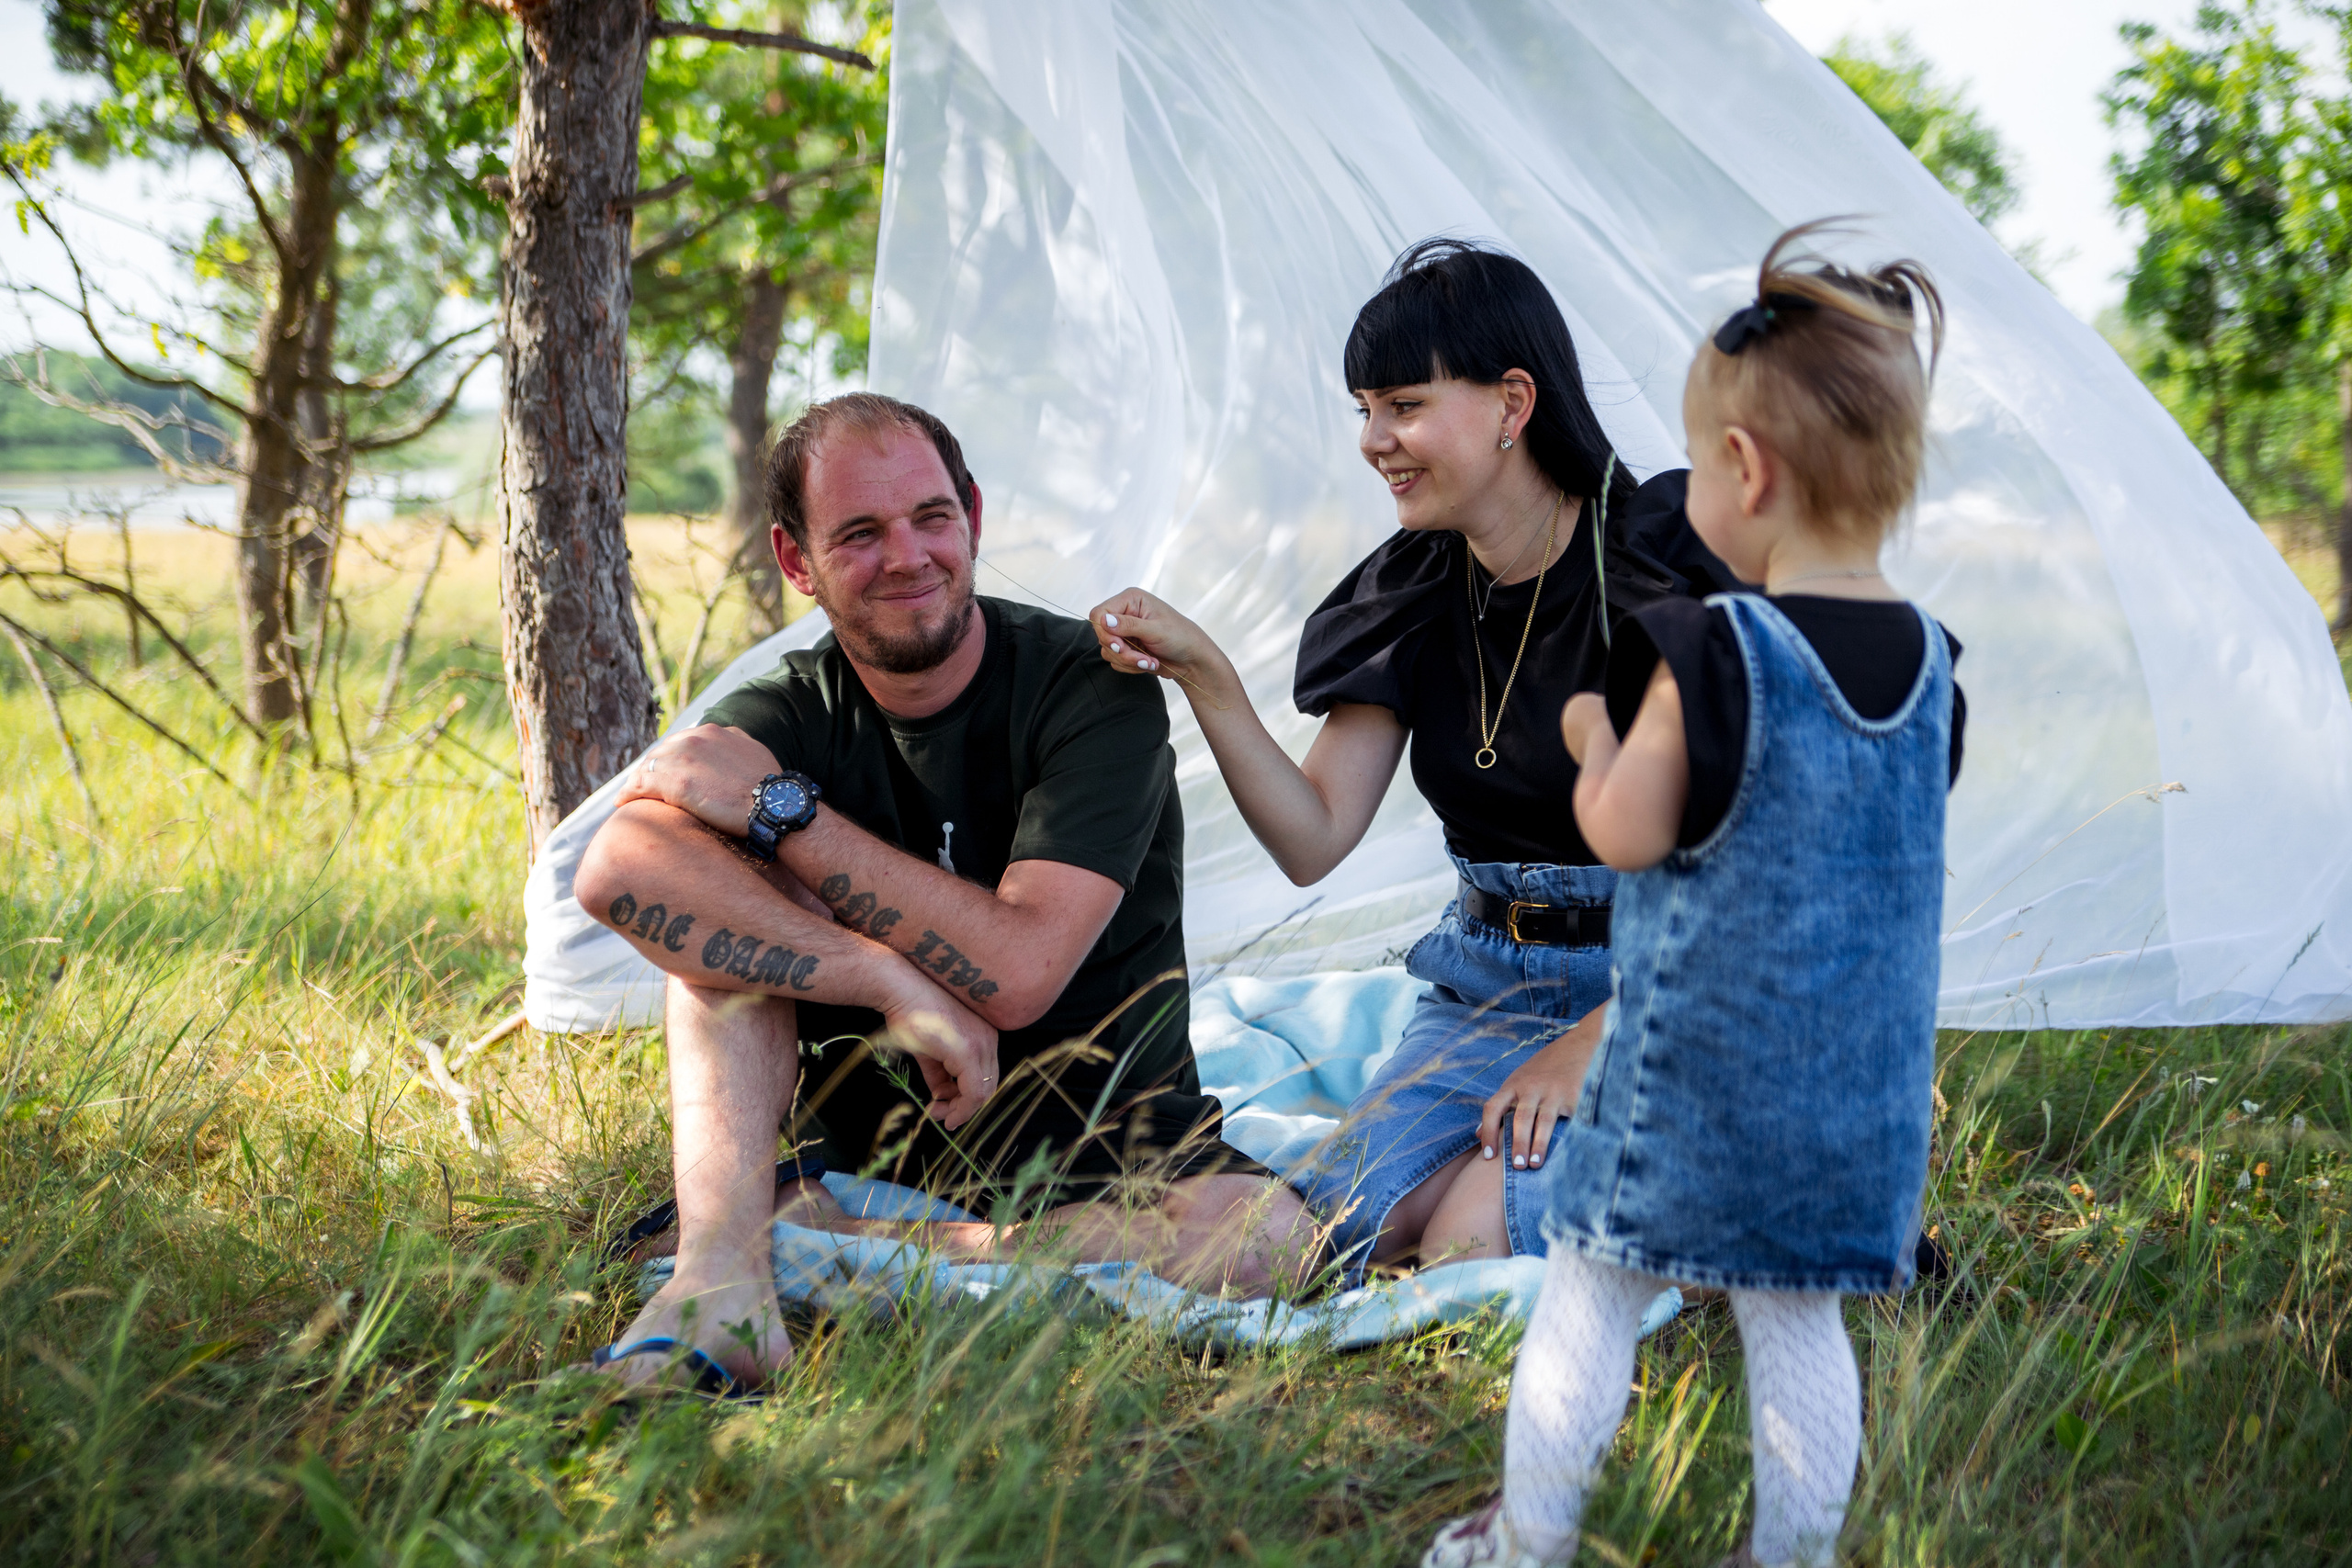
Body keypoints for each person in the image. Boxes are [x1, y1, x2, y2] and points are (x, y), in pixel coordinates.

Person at [572, 391, 1317, 1395]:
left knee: (1271, 1243)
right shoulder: (789, 710)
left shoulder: (1088, 690)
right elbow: (615, 872)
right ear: (798, 562)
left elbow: (1015, 977)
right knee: (718, 929)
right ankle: (723, 1284)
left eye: (931, 517)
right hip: (873, 1160)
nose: (909, 556)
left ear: (971, 513)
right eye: (861, 534)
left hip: (1113, 1169)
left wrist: (787, 818)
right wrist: (879, 977)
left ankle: (845, 1255)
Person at [1422, 224, 1965, 1568]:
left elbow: (1624, 833)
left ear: (1745, 469)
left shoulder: (1717, 648)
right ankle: (1791, 1552)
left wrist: (1597, 741)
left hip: (1693, 1085)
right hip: (1857, 1100)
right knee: (1797, 1317)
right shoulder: (1933, 665)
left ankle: (1530, 1537)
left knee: (1590, 1295)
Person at [1088, 239, 1736, 1281]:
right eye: (1364, 410)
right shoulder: (1411, 588)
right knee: (1302, 1250)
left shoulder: (1663, 557)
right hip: (1483, 989)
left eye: (1402, 405)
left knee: (1467, 1246)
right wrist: (1206, 676)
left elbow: (1761, 859)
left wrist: (1596, 1042)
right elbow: (1312, 837)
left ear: (1511, 404)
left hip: (1660, 984)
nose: (1374, 440)